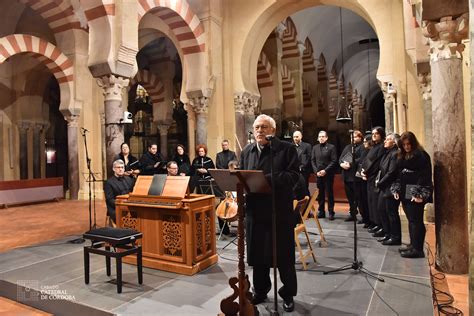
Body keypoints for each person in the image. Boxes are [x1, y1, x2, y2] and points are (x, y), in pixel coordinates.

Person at [240, 114, 299, 312]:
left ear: (273, 130)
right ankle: (261, 290)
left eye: (264, 127)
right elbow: (242, 176)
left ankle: (288, 293)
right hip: (255, 211)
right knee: (258, 256)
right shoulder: (247, 151)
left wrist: (265, 179)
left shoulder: (286, 149)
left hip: (278, 211)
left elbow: (293, 176)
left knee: (283, 256)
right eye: (257, 127)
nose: (259, 131)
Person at [391, 132, 432, 258]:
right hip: (405, 189)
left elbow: (425, 175)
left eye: (408, 144)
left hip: (415, 190)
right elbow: (398, 173)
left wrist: (419, 193)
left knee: (416, 220)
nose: (406, 147)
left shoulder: (421, 155)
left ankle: (418, 249)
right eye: (404, 145)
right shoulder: (402, 155)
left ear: (413, 143)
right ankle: (413, 244)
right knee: (411, 219)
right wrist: (396, 189)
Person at [375, 133, 401, 245]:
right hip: (385, 186)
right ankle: (388, 233)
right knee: (382, 210)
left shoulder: (395, 154)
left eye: (388, 139)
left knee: (391, 213)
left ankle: (395, 237)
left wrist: (380, 183)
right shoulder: (388, 153)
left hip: (391, 187)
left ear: (394, 142)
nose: (385, 141)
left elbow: (391, 172)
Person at [362, 126, 386, 236]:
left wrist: (367, 172)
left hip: (375, 176)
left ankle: (380, 224)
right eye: (372, 134)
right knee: (371, 201)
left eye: (376, 133)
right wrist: (363, 171)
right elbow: (367, 160)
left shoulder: (381, 147)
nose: (374, 135)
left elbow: (376, 163)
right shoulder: (374, 147)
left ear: (381, 134)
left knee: (376, 203)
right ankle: (374, 222)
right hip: (369, 176)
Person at [311, 130, 338, 220]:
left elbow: (334, 161)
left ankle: (331, 212)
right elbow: (312, 160)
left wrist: (325, 171)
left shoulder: (331, 147)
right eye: (320, 137)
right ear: (318, 138)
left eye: (323, 136)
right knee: (320, 194)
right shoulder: (315, 147)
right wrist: (316, 172)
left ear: (326, 138)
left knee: (329, 194)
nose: (321, 138)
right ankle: (321, 211)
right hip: (318, 175)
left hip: (328, 174)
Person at [339, 130, 363, 222]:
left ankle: (363, 215)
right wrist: (341, 164)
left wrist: (350, 164)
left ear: (360, 137)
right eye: (351, 137)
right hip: (347, 176)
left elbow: (361, 159)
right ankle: (352, 214)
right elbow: (341, 158)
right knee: (350, 197)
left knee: (358, 198)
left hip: (356, 177)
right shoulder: (348, 147)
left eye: (355, 137)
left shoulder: (362, 147)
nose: (353, 139)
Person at [215, 140, 238, 237]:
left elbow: (234, 163)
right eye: (223, 145)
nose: (224, 146)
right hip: (223, 177)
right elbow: (218, 165)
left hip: (237, 199)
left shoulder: (232, 154)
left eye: (226, 144)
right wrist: (225, 171)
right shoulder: (219, 155)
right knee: (219, 209)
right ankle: (224, 230)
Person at [104, 159, 135, 224]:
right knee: (127, 218)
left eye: (122, 167)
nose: (120, 169)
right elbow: (109, 200)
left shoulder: (129, 179)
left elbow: (133, 193)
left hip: (130, 206)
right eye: (118, 167)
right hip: (116, 208)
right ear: (113, 169)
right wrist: (122, 204)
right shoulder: (109, 182)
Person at [355, 135, 372, 227]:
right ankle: (365, 218)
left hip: (367, 179)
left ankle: (369, 220)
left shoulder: (371, 151)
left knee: (366, 201)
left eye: (366, 141)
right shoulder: (365, 151)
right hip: (360, 177)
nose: (364, 143)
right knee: (361, 200)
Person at [293, 130, 312, 198]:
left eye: (297, 137)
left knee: (304, 189)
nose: (295, 138)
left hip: (304, 171)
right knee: (295, 189)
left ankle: (307, 207)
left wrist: (301, 167)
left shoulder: (307, 146)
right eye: (294, 137)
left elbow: (308, 158)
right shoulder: (291, 146)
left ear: (301, 137)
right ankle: (297, 206)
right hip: (294, 172)